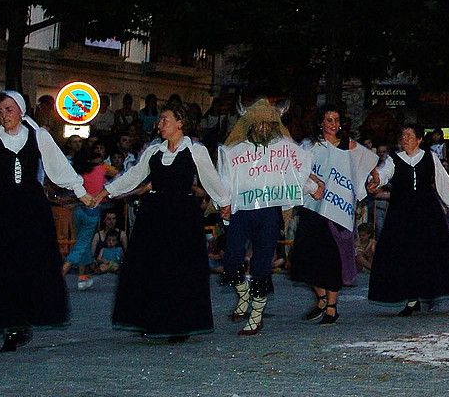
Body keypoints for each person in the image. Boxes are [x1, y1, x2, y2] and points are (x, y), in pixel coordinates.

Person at [0, 91, 90, 351]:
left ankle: (20, 322)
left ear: (21, 110)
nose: (5, 115)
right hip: (0, 210)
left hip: (29, 210)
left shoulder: (39, 136)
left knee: (28, 265)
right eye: (1, 110)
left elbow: (58, 167)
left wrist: (81, 192)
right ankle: (9, 322)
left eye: (9, 109)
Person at [92, 101, 230, 341]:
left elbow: (210, 179)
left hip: (182, 216)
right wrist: (108, 191)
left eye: (165, 119)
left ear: (180, 123)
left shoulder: (195, 150)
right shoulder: (154, 150)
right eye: (159, 120)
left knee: (180, 269)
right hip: (154, 214)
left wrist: (224, 202)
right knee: (151, 267)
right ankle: (152, 319)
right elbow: (135, 175)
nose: (159, 124)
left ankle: (179, 324)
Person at [217, 98, 322, 336]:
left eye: (268, 125)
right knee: (232, 259)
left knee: (261, 265)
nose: (264, 129)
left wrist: (311, 186)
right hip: (241, 212)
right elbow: (224, 178)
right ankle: (244, 296)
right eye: (259, 124)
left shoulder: (281, 149)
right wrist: (222, 203)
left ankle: (256, 314)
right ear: (250, 125)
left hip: (268, 213)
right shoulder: (235, 151)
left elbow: (292, 173)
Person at [367, 124, 449, 315]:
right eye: (403, 135)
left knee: (429, 252)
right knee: (405, 254)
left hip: (426, 212)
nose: (404, 138)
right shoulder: (394, 159)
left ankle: (429, 291)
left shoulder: (430, 157)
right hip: (402, 213)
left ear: (419, 139)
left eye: (409, 135)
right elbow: (383, 173)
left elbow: (442, 181)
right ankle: (412, 299)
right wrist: (376, 180)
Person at [291, 106, 378, 326]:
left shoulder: (348, 144)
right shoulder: (310, 146)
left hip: (337, 211)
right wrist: (312, 179)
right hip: (313, 206)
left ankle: (332, 306)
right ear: (321, 122)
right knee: (304, 256)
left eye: (336, 119)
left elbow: (368, 162)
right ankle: (321, 298)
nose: (332, 123)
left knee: (331, 258)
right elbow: (297, 167)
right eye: (328, 119)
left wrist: (374, 176)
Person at [62, 143, 110, 290]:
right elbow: (118, 175)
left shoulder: (79, 173)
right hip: (92, 211)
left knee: (84, 243)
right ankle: (61, 273)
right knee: (81, 245)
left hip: (78, 210)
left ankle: (82, 278)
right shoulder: (102, 169)